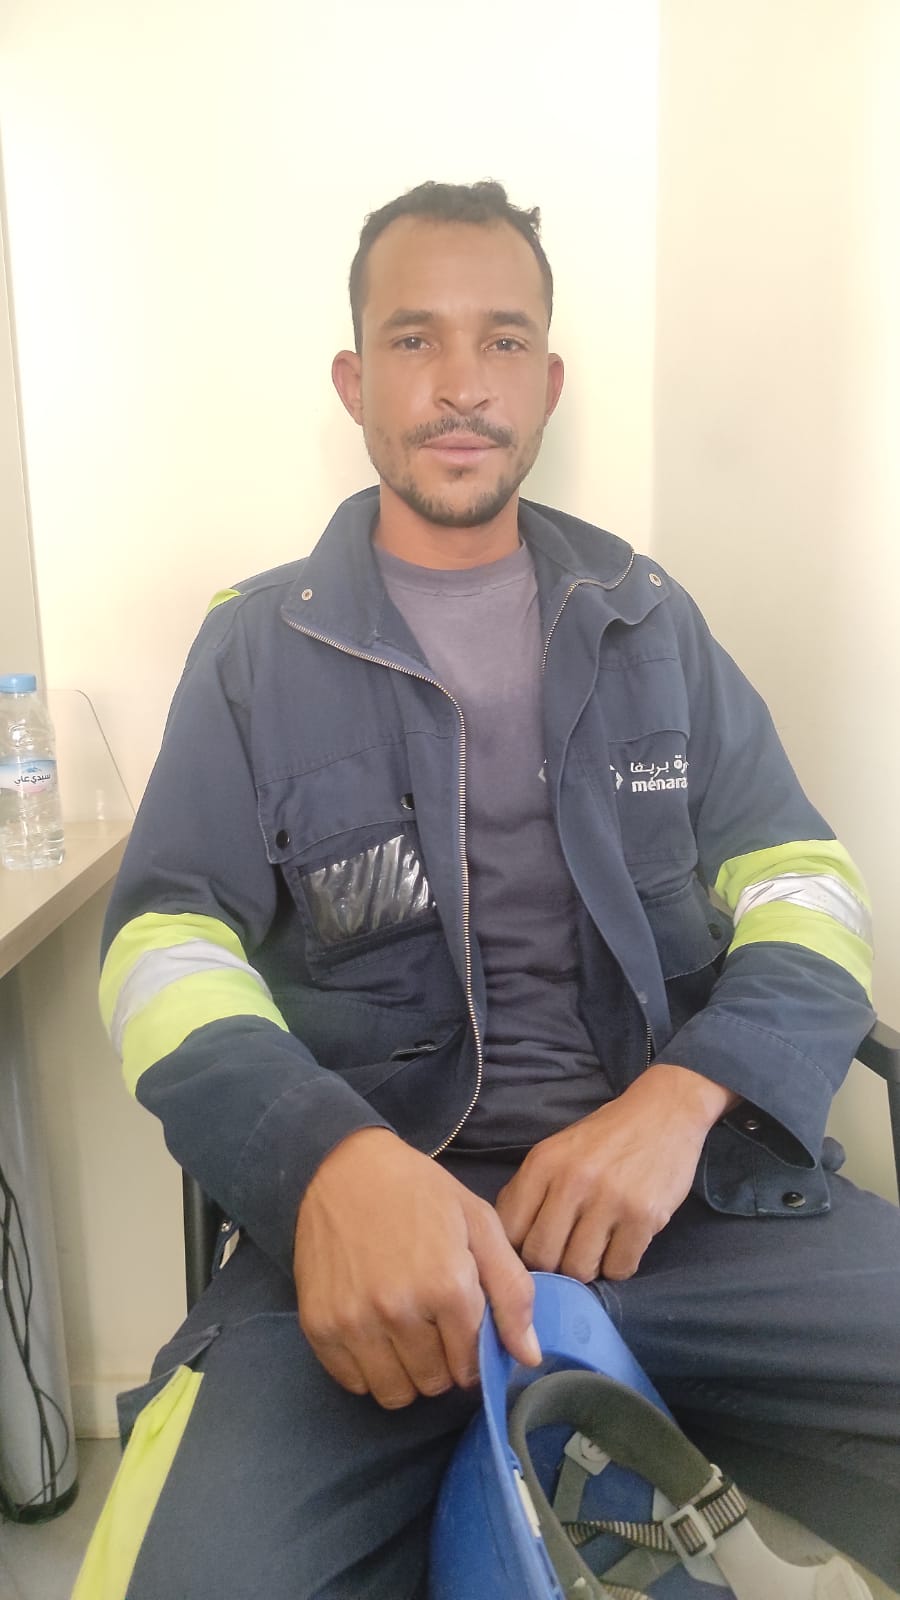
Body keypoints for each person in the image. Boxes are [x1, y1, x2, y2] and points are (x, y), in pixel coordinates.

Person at [80, 181, 899, 1599]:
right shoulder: (253, 653)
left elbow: (804, 884)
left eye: (503, 341)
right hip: (374, 1217)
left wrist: (686, 1098)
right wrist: (327, 1164)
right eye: (415, 340)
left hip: (688, 1200)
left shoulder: (649, 618)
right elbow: (163, 945)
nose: (462, 384)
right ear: (354, 381)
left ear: (549, 382)